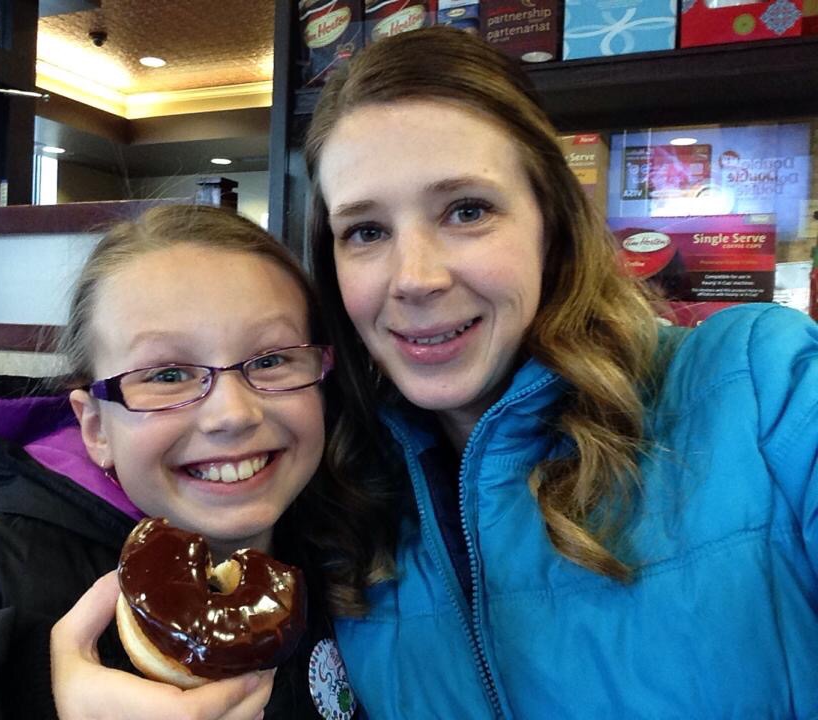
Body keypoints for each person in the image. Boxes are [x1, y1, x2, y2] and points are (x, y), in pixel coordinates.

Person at [302, 26, 818, 718]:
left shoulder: (766, 385)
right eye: (366, 231)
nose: (415, 278)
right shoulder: (336, 491)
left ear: (551, 222)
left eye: (467, 211)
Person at [0, 205, 342, 720]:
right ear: (95, 428)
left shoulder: (353, 547)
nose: (233, 414)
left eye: (270, 360)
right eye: (167, 375)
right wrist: (35, 692)